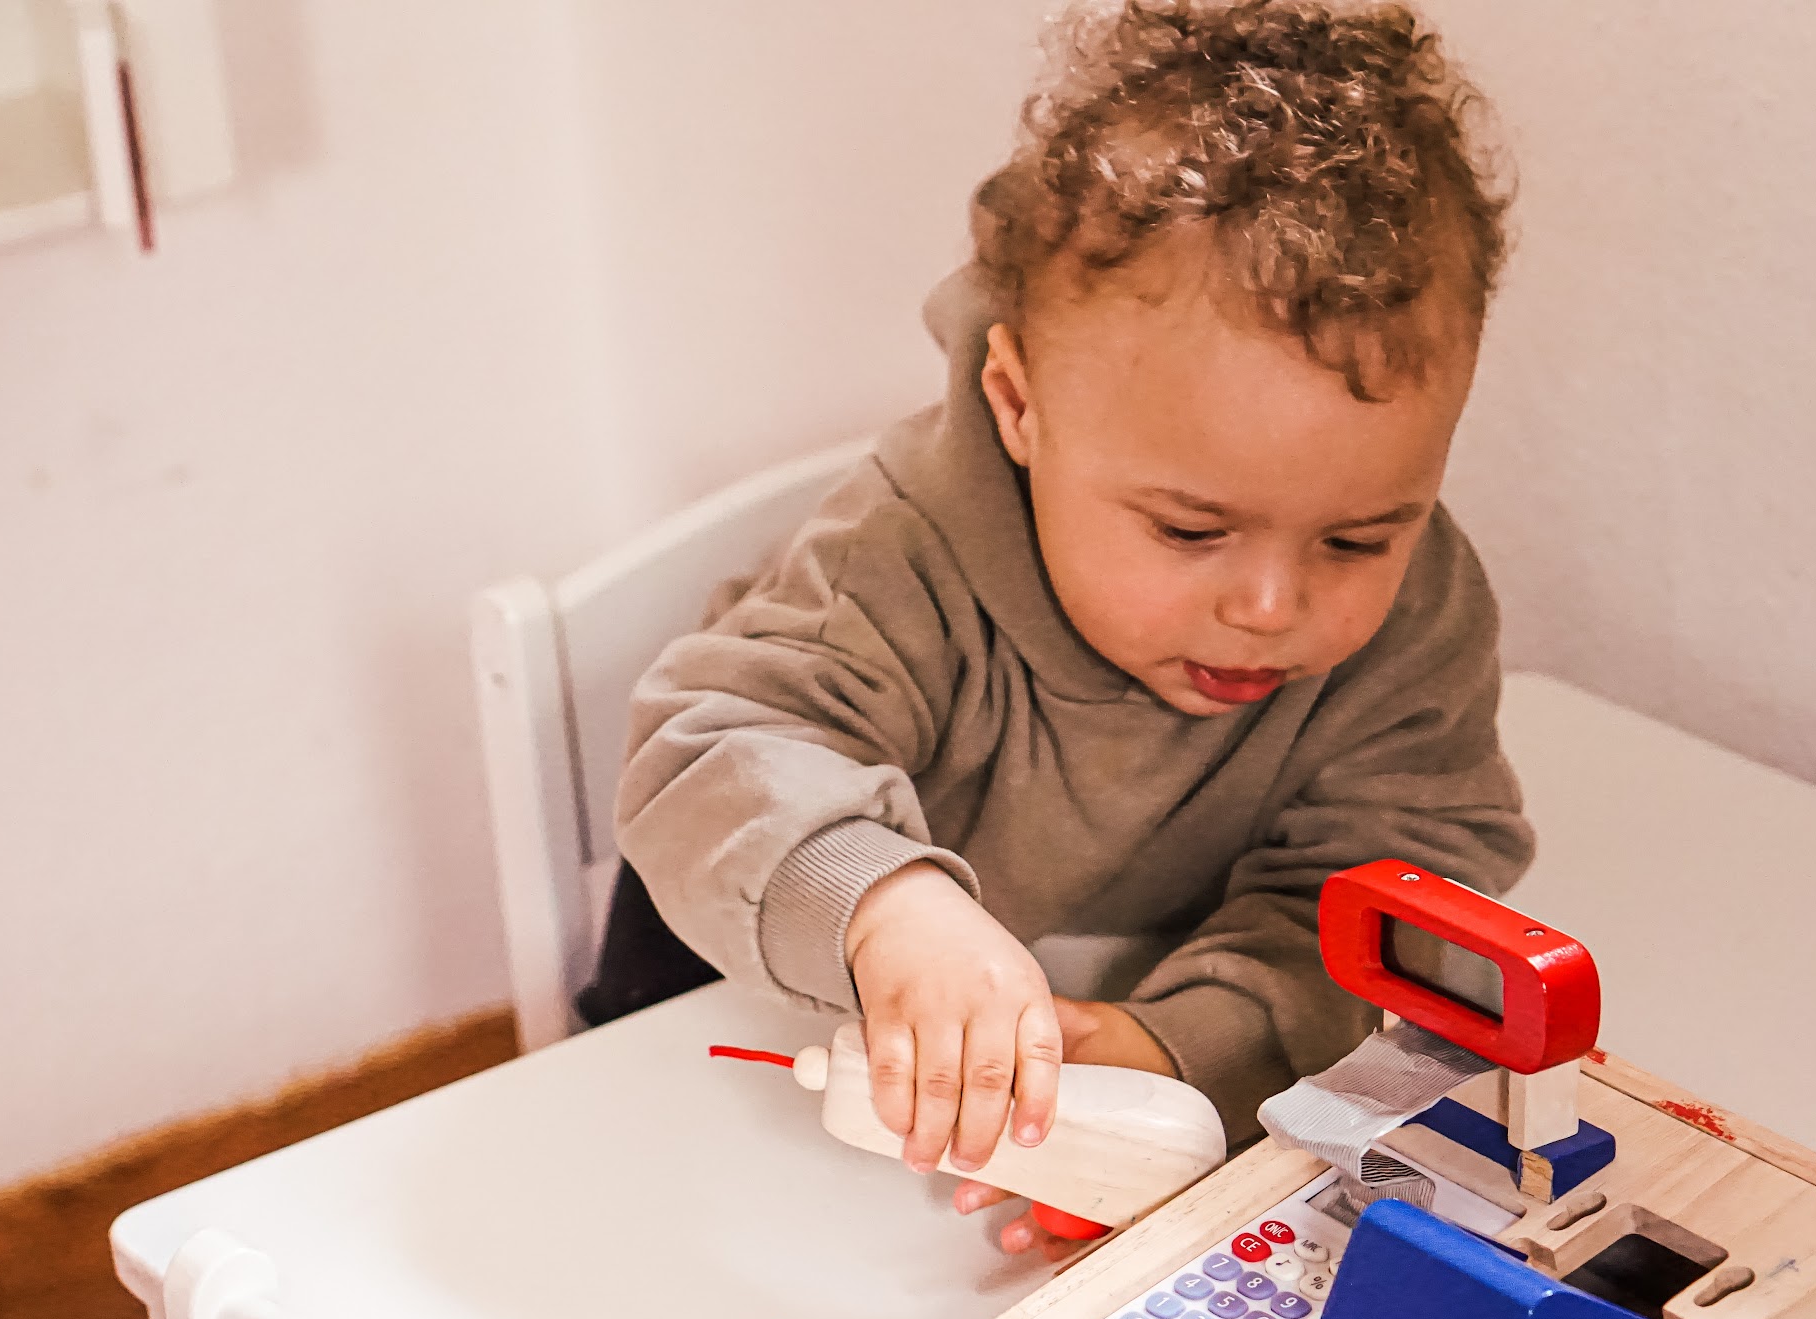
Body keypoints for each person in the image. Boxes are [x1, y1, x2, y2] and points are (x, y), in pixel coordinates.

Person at [591, 0, 1533, 1253]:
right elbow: (709, 750)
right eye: (1190, 530)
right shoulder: (901, 554)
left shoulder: (1419, 618)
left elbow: (1393, 896)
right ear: (1017, 406)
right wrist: (885, 907)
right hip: (758, 960)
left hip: (1061, 1043)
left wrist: (1174, 1048)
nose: (1270, 607)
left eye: (1356, 539)